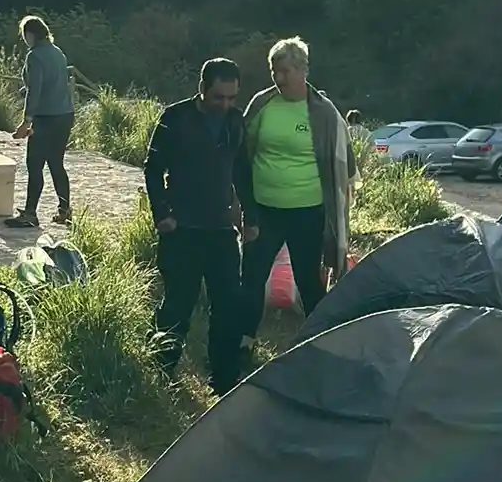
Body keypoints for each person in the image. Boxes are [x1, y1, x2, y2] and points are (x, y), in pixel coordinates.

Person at [239, 36, 355, 338]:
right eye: (274, 71)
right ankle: (243, 341)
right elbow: (240, 151)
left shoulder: (324, 112)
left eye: (285, 71)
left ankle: (319, 340)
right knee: (251, 278)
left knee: (308, 280)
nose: (279, 78)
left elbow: (345, 164)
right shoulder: (262, 104)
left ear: (303, 70)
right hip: (263, 210)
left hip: (308, 212)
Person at [144, 58, 246, 396]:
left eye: (232, 98)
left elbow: (242, 171)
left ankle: (224, 379)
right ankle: (160, 373)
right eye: (219, 97)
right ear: (202, 90)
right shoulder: (175, 119)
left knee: (228, 304)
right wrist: (163, 214)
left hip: (220, 230)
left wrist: (250, 217)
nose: (226, 104)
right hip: (182, 229)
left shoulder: (235, 121)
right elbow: (152, 169)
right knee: (177, 305)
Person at [9, 15, 75, 228]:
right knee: (56, 164)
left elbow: (35, 90)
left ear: (30, 34)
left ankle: (30, 213)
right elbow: (53, 84)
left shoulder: (35, 56)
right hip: (64, 115)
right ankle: (65, 210)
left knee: (35, 164)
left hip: (45, 118)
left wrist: (26, 121)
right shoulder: (59, 53)